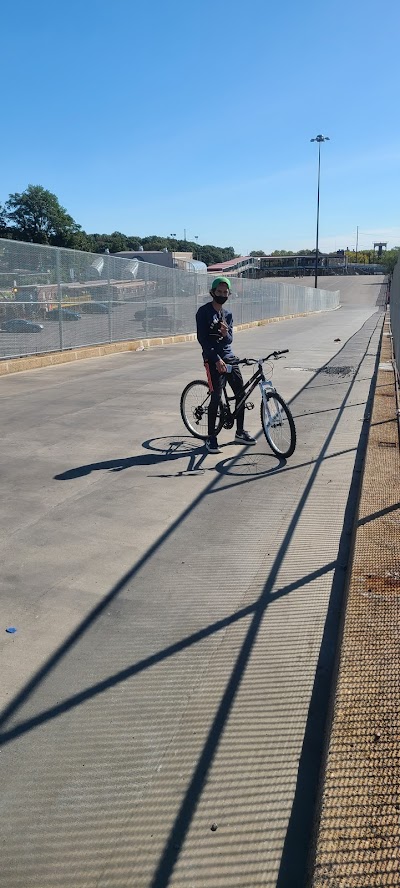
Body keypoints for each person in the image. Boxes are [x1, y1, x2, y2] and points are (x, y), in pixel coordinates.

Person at [196, 276, 256, 453]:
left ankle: (239, 432)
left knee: (241, 394)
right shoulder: (203, 312)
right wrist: (216, 360)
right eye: (219, 292)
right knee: (216, 396)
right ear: (213, 292)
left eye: (225, 292)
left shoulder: (227, 314)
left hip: (229, 357)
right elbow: (203, 340)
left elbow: (230, 339)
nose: (222, 294)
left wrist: (225, 332)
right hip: (212, 358)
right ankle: (211, 437)